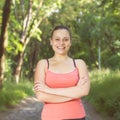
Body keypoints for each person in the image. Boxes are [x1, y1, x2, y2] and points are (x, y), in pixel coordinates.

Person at [34, 25, 90, 120]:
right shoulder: (43, 64)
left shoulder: (79, 64)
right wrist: (75, 92)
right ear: (51, 41)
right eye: (57, 39)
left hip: (77, 116)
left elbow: (84, 91)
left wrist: (49, 90)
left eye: (65, 39)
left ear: (70, 42)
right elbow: (41, 96)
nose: (61, 43)